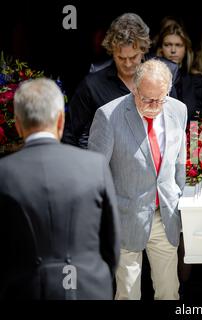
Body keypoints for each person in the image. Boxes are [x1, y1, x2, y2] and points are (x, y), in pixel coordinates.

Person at [0, 78, 120, 300]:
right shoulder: (95, 166)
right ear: (61, 120)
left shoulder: (4, 173)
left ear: (17, 124)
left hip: (24, 291)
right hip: (87, 287)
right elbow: (111, 242)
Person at [88, 59, 187, 300]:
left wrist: (179, 200)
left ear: (168, 91)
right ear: (134, 88)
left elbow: (179, 164)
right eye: (146, 99)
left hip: (165, 215)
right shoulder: (109, 115)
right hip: (124, 216)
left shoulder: (178, 109)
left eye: (160, 99)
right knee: (128, 294)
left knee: (169, 292)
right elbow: (94, 173)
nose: (154, 106)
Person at [63, 13, 178, 148]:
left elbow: (177, 122)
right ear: (112, 52)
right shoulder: (92, 85)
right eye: (121, 58)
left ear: (144, 50)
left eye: (134, 57)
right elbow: (69, 134)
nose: (128, 64)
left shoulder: (162, 78)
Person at [156, 22, 202, 123]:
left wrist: (193, 138)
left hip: (193, 136)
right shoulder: (151, 82)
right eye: (168, 45)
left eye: (178, 45)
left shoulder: (197, 81)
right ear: (160, 49)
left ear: (186, 49)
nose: (173, 50)